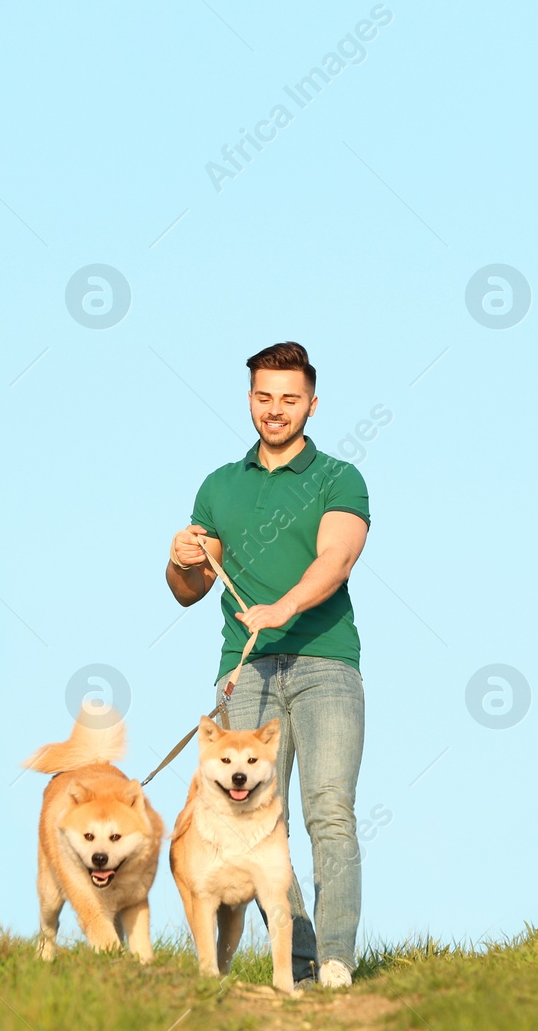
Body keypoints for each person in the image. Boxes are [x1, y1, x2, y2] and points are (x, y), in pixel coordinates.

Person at [164, 340, 370, 989]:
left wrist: (281, 607)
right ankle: (299, 958)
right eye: (263, 397)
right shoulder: (219, 485)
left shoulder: (340, 478)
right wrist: (180, 557)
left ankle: (335, 958)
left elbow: (335, 560)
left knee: (328, 810)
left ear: (311, 402)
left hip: (325, 663)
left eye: (288, 398)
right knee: (247, 816)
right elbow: (188, 589)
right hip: (245, 669)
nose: (275, 410)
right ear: (249, 400)